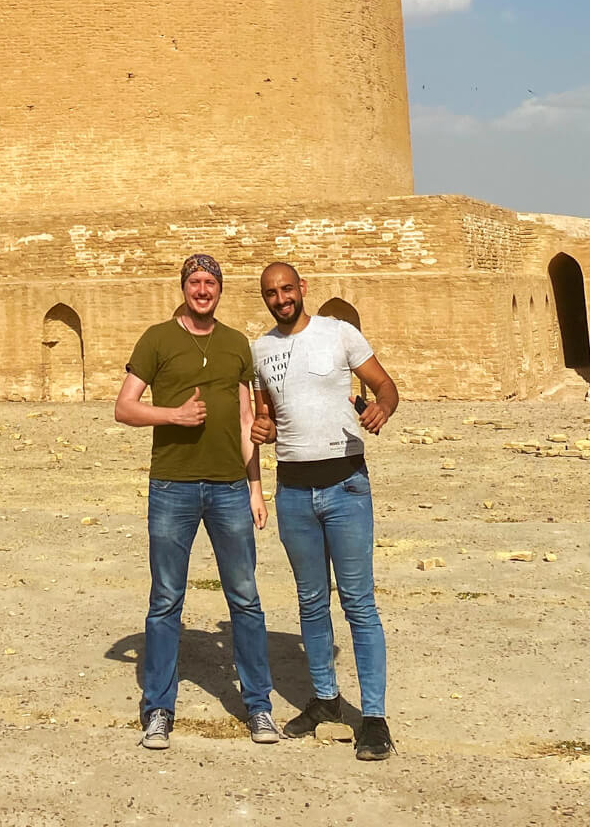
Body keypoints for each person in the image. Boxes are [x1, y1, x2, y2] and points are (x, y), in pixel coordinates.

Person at [115, 253, 277, 750]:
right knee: (166, 600)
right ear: (183, 288)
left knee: (245, 599)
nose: (202, 290)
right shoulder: (157, 338)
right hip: (173, 486)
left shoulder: (235, 345)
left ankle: (259, 706)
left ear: (220, 290)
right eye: (195, 282)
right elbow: (124, 407)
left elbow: (249, 419)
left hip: (230, 487)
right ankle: (159, 707)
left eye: (210, 282)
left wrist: (255, 486)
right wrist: (173, 416)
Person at [249, 261, 399, 762]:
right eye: (272, 292)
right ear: (265, 298)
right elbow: (267, 415)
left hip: (345, 485)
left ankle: (373, 717)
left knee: (359, 603)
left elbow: (386, 386)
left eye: (287, 289)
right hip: (293, 490)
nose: (280, 298)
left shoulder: (340, 334)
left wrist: (383, 407)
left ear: (302, 289)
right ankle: (326, 700)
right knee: (311, 602)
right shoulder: (260, 349)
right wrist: (263, 431)